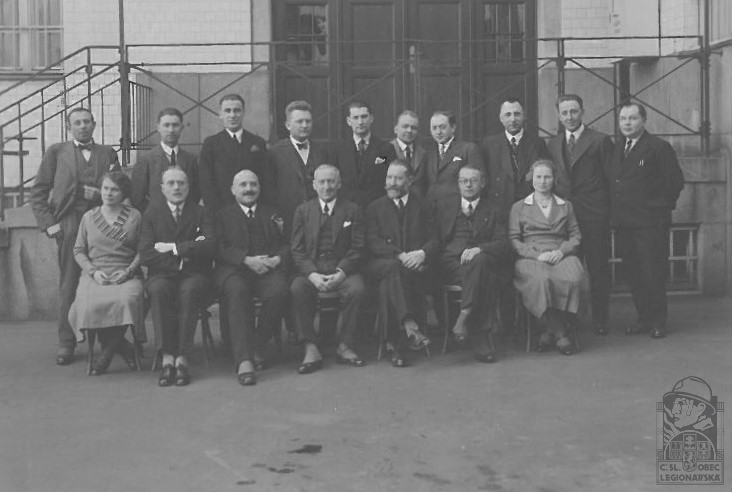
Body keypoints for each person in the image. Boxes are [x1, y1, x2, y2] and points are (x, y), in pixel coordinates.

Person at [30, 107, 121, 366]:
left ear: (95, 124)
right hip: (69, 223)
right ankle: (66, 342)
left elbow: (120, 187)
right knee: (69, 283)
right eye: (77, 123)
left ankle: (107, 340)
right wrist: (49, 224)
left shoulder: (107, 152)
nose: (83, 126)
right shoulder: (56, 152)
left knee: (104, 279)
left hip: (102, 223)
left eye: (87, 122)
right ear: (69, 126)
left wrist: (101, 195)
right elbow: (38, 191)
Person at [608, 102, 684, 339]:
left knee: (653, 273)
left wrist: (657, 211)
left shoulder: (658, 148)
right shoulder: (618, 148)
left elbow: (674, 182)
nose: (627, 123)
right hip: (625, 224)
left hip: (651, 224)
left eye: (632, 118)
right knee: (633, 274)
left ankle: (658, 321)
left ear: (644, 120)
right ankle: (643, 319)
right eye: (623, 119)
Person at [139, 167, 216, 387]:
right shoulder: (152, 214)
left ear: (189, 187)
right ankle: (166, 357)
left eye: (181, 183)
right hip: (162, 275)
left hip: (195, 275)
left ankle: (182, 357)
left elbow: (210, 246)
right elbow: (146, 253)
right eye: (171, 183)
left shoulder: (201, 213)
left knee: (189, 290)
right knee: (158, 290)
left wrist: (173, 248)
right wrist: (183, 259)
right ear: (162, 188)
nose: (176, 187)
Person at [213, 170, 290, 386]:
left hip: (266, 270)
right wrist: (245, 260)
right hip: (234, 271)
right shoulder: (221, 215)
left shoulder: (272, 213)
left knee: (280, 291)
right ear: (233, 190)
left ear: (259, 188)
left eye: (253, 184)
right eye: (243, 185)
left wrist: (277, 259)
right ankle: (244, 360)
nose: (249, 189)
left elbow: (287, 244)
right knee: (237, 292)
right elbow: (217, 247)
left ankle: (258, 342)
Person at [290, 164, 366, 374]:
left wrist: (341, 273)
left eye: (331, 181)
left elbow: (358, 248)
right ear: (314, 185)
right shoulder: (303, 211)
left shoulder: (353, 210)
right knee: (297, 288)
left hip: (342, 269)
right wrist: (312, 274)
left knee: (357, 289)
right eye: (321, 182)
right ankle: (310, 346)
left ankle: (345, 345)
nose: (326, 186)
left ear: (339, 184)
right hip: (313, 269)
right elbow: (297, 249)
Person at [547, 94, 614, 335]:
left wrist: (607, 213)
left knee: (598, 270)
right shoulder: (553, 144)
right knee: (567, 270)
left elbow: (611, 180)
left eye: (574, 111)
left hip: (594, 215)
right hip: (565, 218)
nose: (569, 117)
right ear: (558, 115)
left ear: (582, 112)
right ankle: (571, 319)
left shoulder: (600, 140)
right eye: (564, 113)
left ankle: (600, 320)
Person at [481, 98, 548, 335]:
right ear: (501, 118)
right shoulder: (489, 144)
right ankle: (507, 324)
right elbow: (485, 181)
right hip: (500, 215)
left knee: (528, 266)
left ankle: (532, 322)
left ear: (524, 116)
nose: (513, 119)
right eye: (508, 115)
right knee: (503, 270)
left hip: (529, 214)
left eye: (517, 114)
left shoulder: (537, 143)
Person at [68, 172, 144, 375]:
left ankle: (107, 354)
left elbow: (143, 250)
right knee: (86, 304)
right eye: (105, 188)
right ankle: (124, 347)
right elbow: (78, 250)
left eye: (115, 190)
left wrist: (128, 271)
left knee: (127, 300)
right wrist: (93, 272)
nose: (109, 193)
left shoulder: (134, 216)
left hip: (125, 273)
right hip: (95, 274)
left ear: (123, 193)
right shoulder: (89, 217)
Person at [509, 160, 586, 355]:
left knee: (574, 278)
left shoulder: (565, 205)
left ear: (554, 179)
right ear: (531, 178)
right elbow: (514, 240)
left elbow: (575, 235)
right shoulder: (519, 207)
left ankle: (548, 332)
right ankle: (560, 333)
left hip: (560, 253)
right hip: (531, 256)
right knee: (542, 280)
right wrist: (537, 255)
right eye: (538, 177)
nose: (542, 181)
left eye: (547, 177)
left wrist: (561, 252)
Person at [365, 160, 438, 367]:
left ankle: (396, 344)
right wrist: (400, 255)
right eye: (389, 177)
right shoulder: (375, 207)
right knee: (394, 268)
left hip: (414, 268)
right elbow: (374, 242)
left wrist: (422, 254)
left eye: (397, 178)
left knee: (389, 285)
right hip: (381, 265)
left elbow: (435, 239)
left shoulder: (423, 205)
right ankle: (409, 324)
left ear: (410, 180)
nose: (392, 182)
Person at [436, 165, 511, 363]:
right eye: (464, 181)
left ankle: (463, 317)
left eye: (473, 180)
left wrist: (480, 249)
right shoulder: (444, 208)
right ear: (458, 184)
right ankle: (481, 338)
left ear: (483, 183)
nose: (468, 185)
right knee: (485, 276)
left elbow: (504, 243)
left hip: (481, 262)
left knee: (481, 264)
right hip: (452, 265)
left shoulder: (494, 210)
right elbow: (435, 239)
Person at [263, 100, 330, 237]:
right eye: (299, 121)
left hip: (320, 219)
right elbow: (269, 189)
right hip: (289, 219)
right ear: (288, 125)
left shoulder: (323, 151)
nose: (305, 125)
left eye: (308, 121)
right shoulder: (274, 153)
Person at [199, 94, 267, 212]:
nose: (232, 115)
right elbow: (206, 182)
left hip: (252, 209)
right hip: (222, 210)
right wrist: (216, 212)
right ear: (220, 114)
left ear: (243, 112)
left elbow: (265, 179)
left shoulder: (257, 142)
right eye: (227, 111)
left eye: (237, 110)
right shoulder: (211, 144)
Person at [131, 107, 200, 212]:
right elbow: (137, 197)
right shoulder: (146, 160)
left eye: (175, 125)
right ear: (158, 127)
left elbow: (196, 193)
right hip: (155, 218)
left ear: (182, 127)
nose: (171, 130)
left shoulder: (191, 160)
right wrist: (154, 215)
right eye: (166, 125)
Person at [331, 101, 396, 209]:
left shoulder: (386, 149)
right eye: (355, 118)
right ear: (348, 121)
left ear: (371, 119)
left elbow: (389, 179)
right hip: (346, 208)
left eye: (364, 117)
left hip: (376, 207)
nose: (360, 122)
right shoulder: (338, 150)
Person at [424, 110, 484, 203]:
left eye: (442, 127)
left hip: (457, 208)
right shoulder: (428, 153)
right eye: (434, 128)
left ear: (453, 127)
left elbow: (478, 182)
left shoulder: (468, 149)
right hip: (431, 208)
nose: (438, 132)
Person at [390, 110, 428, 196]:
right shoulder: (384, 151)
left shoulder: (423, 154)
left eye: (413, 128)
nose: (409, 130)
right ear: (396, 129)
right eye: (405, 126)